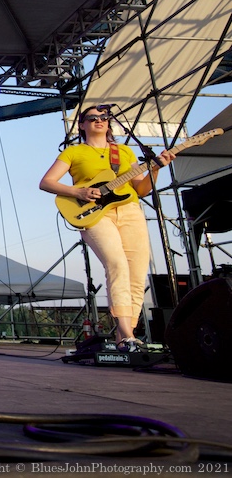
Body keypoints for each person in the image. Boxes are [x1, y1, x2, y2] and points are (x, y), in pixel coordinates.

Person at [39, 105, 175, 350]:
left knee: (136, 273)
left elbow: (141, 189)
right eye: (92, 118)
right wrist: (77, 190)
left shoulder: (123, 151)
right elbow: (46, 182)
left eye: (103, 118)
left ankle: (125, 337)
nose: (99, 121)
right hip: (94, 214)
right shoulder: (74, 152)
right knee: (117, 265)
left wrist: (155, 168)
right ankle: (126, 332)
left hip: (130, 210)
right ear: (82, 125)